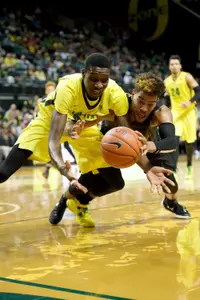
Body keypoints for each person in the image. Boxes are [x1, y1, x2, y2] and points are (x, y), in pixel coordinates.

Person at [0, 53, 174, 224]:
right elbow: (54, 137)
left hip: (84, 129)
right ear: (84, 74)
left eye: (103, 80)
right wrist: (62, 168)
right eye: (93, 79)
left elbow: (127, 138)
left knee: (116, 182)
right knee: (4, 172)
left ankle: (78, 204)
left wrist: (148, 169)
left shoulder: (116, 94)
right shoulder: (67, 88)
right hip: (48, 123)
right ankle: (69, 198)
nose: (99, 85)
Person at [49, 71, 180, 228]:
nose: (144, 109)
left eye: (150, 104)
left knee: (171, 184)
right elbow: (88, 120)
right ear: (133, 94)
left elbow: (172, 141)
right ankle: (65, 199)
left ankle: (170, 202)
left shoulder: (161, 112)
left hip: (145, 143)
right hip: (109, 142)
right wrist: (75, 128)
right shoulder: (117, 103)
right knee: (115, 182)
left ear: (156, 101)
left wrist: (151, 147)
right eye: (140, 101)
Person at [164, 55, 200, 179]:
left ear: (180, 66)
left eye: (176, 64)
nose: (174, 66)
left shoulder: (187, 77)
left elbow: (198, 91)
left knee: (189, 142)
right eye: (171, 64)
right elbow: (167, 97)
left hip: (189, 112)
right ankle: (173, 168)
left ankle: (189, 167)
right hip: (176, 113)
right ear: (169, 67)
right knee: (174, 139)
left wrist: (189, 102)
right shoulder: (167, 81)